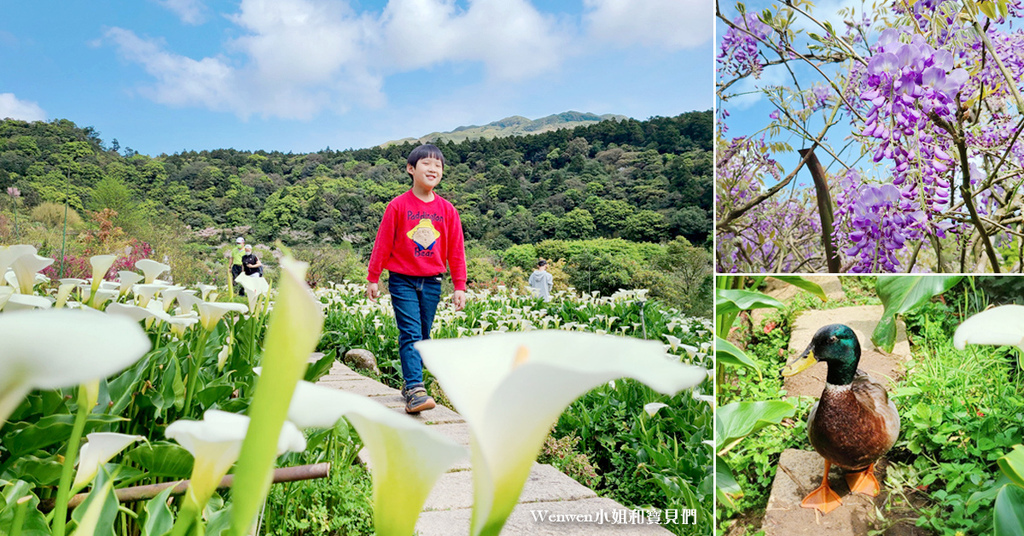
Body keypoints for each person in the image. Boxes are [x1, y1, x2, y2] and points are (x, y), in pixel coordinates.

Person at [366, 144, 467, 414]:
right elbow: (383, 243)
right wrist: (373, 277)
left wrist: (460, 286)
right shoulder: (398, 206)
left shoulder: (448, 211)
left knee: (422, 337)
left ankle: (411, 386)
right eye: (426, 164)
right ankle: (415, 388)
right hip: (402, 280)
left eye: (438, 165)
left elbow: (456, 250)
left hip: (433, 281)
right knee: (410, 333)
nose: (433, 169)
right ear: (411, 169)